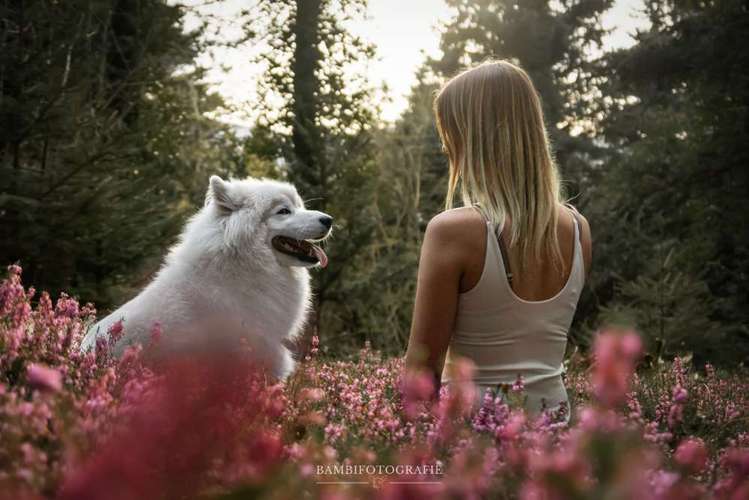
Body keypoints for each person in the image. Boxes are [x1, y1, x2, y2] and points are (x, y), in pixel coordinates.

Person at [405, 60, 592, 418]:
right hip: (555, 438)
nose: (447, 148)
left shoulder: (452, 232)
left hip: (474, 443)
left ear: (473, 138)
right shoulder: (579, 229)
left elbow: (420, 373)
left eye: (451, 133)